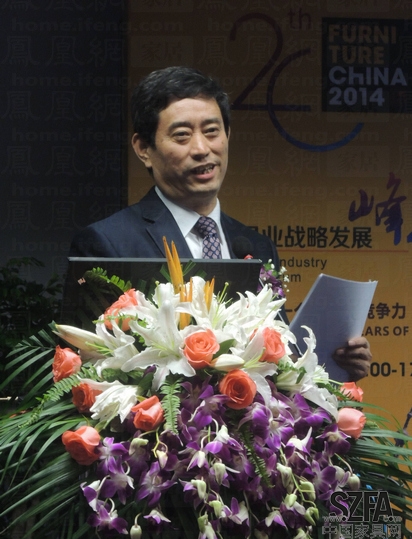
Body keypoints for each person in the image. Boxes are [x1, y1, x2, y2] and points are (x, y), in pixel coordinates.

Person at [69, 66, 371, 381]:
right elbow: (92, 368)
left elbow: (277, 359)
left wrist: (334, 366)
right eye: (182, 135)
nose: (202, 149)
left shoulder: (256, 246)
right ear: (144, 149)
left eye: (212, 131)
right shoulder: (108, 243)